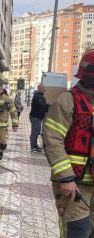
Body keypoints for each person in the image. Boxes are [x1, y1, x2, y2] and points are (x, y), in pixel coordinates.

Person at [43, 49, 94, 237]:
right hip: (75, 186)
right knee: (77, 232)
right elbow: (52, 139)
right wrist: (66, 177)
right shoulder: (67, 101)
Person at [0, 83, 19, 167]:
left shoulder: (7, 100)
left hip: (3, 128)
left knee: (3, 144)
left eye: (0, 89)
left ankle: (0, 151)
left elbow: (13, 112)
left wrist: (15, 124)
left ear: (2, 90)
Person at [29, 83, 49, 152]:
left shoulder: (40, 96)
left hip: (37, 117)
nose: (44, 89)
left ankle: (35, 145)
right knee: (35, 132)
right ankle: (33, 146)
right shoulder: (38, 96)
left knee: (36, 131)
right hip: (35, 117)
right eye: (43, 88)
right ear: (39, 88)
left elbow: (43, 105)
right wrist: (49, 107)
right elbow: (42, 106)